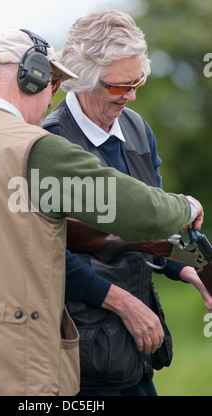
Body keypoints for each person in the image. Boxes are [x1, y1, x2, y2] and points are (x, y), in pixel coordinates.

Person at [0, 27, 204, 396]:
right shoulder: (37, 148)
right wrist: (187, 206)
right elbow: (140, 211)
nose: (53, 99)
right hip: (9, 368)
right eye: (53, 84)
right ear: (34, 78)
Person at [43, 9, 212, 396]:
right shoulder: (48, 145)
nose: (132, 96)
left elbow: (153, 232)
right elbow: (45, 251)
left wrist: (193, 270)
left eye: (137, 82)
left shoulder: (137, 128)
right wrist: (121, 302)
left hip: (132, 351)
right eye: (119, 87)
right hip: (78, 355)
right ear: (80, 79)